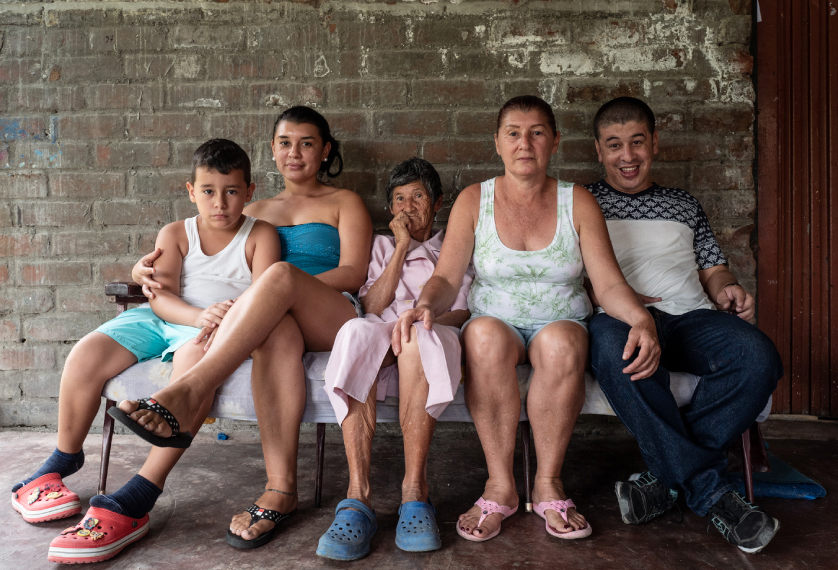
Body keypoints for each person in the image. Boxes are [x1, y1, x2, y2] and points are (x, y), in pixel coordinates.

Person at [392, 95, 660, 543]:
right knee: (483, 338)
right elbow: (446, 276)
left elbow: (609, 284)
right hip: (495, 320)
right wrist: (426, 305)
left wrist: (641, 320)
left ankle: (548, 482)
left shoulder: (577, 201)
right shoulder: (475, 200)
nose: (525, 143)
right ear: (497, 142)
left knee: (563, 343)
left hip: (561, 322)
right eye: (513, 133)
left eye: (537, 132)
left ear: (554, 141)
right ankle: (500, 485)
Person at [9, 139, 281, 564]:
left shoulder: (260, 234)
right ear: (191, 191)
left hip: (219, 326)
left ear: (249, 191)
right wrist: (197, 315)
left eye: (231, 191)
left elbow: (265, 294)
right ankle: (61, 460)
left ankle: (141, 493)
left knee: (193, 369)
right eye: (208, 191)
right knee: (86, 353)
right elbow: (160, 297)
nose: (220, 202)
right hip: (169, 317)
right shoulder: (176, 233)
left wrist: (214, 321)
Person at [126, 106, 373, 549]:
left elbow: (354, 271)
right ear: (273, 151)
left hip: (331, 313)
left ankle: (187, 390)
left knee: (277, 277)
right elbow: (207, 262)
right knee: (276, 332)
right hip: (271, 319)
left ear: (325, 150)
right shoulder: (248, 206)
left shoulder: (344, 202)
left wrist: (284, 288)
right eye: (284, 143)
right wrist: (143, 268)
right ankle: (280, 490)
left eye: (307, 143)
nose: (294, 152)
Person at [584, 96, 783, 554]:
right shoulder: (583, 201)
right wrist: (614, 302)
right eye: (614, 145)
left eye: (637, 142)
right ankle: (713, 494)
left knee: (758, 356)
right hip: (619, 319)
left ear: (654, 142)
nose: (627, 156)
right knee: (619, 353)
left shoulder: (684, 204)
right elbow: (573, 273)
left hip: (691, 316)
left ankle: (665, 481)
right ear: (599, 150)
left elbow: (713, 268)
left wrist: (728, 287)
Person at [316, 158, 474, 560]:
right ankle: (357, 496)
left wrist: (425, 315)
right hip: (381, 327)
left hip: (432, 329)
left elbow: (465, 309)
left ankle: (414, 492)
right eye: (399, 199)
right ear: (390, 209)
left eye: (418, 196)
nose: (407, 206)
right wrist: (401, 247)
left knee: (420, 339)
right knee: (354, 331)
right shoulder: (383, 245)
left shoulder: (452, 247)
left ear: (437, 203)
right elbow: (370, 304)